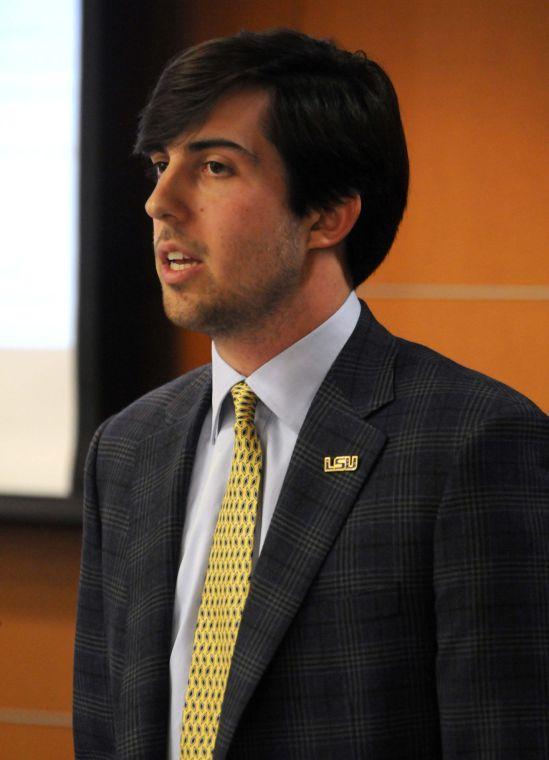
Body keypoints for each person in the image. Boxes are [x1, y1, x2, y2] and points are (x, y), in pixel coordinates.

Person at [73, 28, 548, 760]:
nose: (160, 203)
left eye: (215, 167)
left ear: (328, 214)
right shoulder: (128, 445)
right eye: (161, 165)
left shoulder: (475, 444)